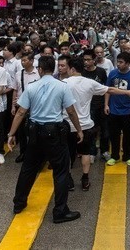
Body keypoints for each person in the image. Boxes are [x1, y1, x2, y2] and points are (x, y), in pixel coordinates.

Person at [7, 56, 83, 223]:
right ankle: (60, 211)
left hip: (35, 133)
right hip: (55, 134)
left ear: (40, 69)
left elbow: (21, 112)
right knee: (61, 171)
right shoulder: (62, 86)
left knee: (28, 169)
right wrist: (78, 130)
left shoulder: (32, 87)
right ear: (54, 69)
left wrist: (11, 134)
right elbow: (70, 111)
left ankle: (19, 203)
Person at [65, 57, 130, 190]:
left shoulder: (63, 83)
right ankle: (85, 179)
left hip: (68, 125)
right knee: (85, 153)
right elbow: (110, 90)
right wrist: (127, 92)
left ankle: (68, 179)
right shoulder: (89, 83)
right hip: (86, 125)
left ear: (71, 69)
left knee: (67, 154)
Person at [104, 52, 130, 167]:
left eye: (121, 62)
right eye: (117, 62)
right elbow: (108, 90)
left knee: (127, 135)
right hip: (114, 111)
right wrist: (106, 105)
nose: (118, 64)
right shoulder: (113, 73)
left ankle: (127, 156)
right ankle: (114, 156)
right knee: (114, 135)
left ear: (128, 63)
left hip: (127, 111)